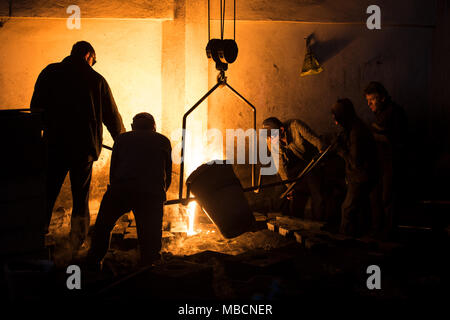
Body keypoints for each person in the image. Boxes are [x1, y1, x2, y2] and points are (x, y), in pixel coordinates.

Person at [30, 41, 125, 251]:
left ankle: (36, 233)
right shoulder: (96, 80)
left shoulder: (50, 72)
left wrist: (41, 133)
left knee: (47, 191)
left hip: (55, 144)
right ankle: (77, 240)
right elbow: (112, 116)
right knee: (80, 196)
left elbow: (35, 107)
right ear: (89, 55)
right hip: (83, 148)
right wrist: (124, 142)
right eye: (94, 61)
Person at [87, 112, 172, 267]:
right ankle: (149, 266)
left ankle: (94, 261)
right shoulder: (163, 141)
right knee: (151, 238)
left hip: (121, 190)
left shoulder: (121, 139)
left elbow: (113, 172)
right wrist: (158, 196)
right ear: (154, 127)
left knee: (103, 227)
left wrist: (116, 191)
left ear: (133, 127)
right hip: (150, 194)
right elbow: (168, 176)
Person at [364, 81, 408, 239]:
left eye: (372, 100)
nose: (369, 104)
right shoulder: (381, 114)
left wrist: (372, 135)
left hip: (391, 163)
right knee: (374, 196)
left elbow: (396, 140)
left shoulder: (395, 113)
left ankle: (389, 233)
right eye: (367, 100)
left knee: (387, 197)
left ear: (382, 98)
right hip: (380, 163)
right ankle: (377, 230)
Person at [331, 99, 379, 237]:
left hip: (361, 176)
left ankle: (345, 240)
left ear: (344, 116)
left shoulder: (356, 132)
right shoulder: (352, 127)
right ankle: (360, 237)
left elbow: (355, 161)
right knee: (360, 209)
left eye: (337, 119)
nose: (335, 123)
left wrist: (340, 149)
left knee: (347, 209)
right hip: (360, 175)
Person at [262, 117, 326, 220]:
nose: (269, 140)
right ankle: (291, 222)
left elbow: (314, 139)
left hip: (308, 162)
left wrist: (321, 149)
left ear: (282, 130)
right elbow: (280, 166)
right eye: (268, 137)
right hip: (291, 167)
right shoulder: (270, 140)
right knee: (283, 194)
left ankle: (319, 223)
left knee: (317, 192)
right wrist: (289, 187)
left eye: (271, 136)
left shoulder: (296, 126)